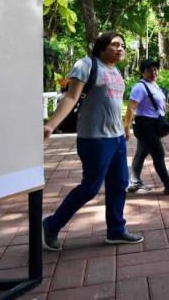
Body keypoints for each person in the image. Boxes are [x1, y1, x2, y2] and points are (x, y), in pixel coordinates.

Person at [41, 31, 142, 251]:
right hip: (95, 139)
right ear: (101, 46)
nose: (120, 49)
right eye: (115, 44)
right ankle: (51, 225)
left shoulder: (116, 72)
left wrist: (125, 128)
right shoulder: (86, 65)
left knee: (119, 184)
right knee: (90, 188)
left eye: (123, 45)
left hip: (116, 139)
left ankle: (116, 230)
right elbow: (71, 97)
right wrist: (51, 124)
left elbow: (114, 105)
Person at [124, 59, 169, 195]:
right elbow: (130, 108)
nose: (153, 72)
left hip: (153, 124)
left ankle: (134, 182)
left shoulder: (154, 84)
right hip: (145, 125)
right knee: (158, 153)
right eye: (149, 70)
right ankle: (168, 184)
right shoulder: (140, 87)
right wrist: (126, 128)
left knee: (141, 153)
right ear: (142, 72)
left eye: (155, 69)